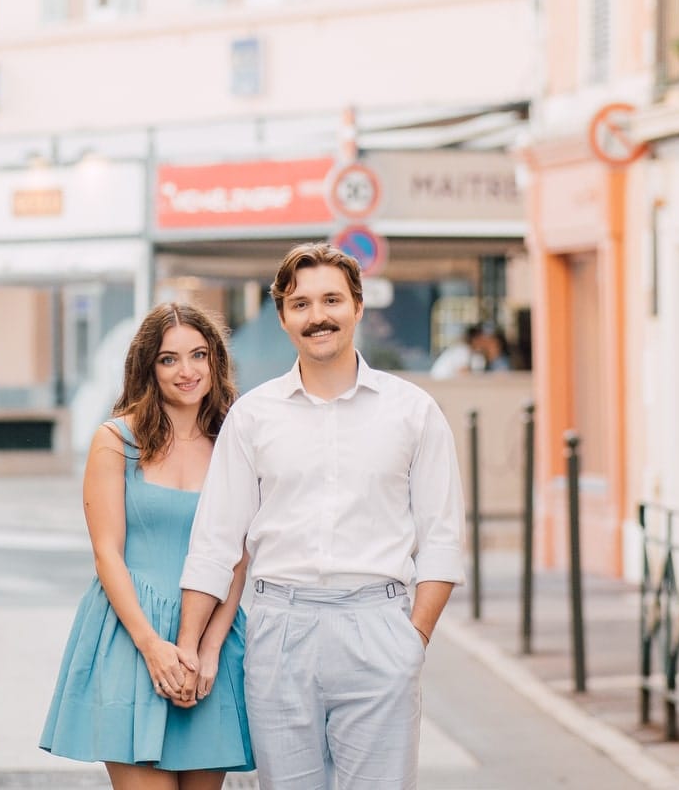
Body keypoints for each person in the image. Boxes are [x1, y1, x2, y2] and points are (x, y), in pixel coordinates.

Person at [174, 243, 464, 790]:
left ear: (357, 305)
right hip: (280, 629)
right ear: (283, 316)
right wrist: (190, 645)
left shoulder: (413, 411)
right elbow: (216, 544)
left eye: (331, 299)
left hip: (379, 624)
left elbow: (443, 540)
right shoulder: (252, 417)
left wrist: (413, 639)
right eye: (301, 303)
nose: (318, 316)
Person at [40, 302, 254, 788]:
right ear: (147, 367)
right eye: (169, 358)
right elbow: (107, 553)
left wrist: (213, 647)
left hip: (212, 637)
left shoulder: (234, 441)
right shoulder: (115, 440)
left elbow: (238, 557)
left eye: (198, 355)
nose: (187, 371)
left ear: (216, 361)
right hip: (131, 635)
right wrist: (151, 646)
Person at [429, 322, 511, 377]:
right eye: (481, 339)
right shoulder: (462, 350)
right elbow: (464, 374)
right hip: (439, 387)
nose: (483, 342)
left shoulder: (478, 357)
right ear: (474, 339)